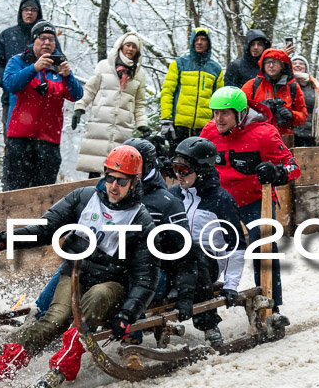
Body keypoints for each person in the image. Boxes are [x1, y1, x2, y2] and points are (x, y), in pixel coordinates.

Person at [0, 145, 159, 388]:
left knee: (90, 307)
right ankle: (0, 367)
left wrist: (128, 313)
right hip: (76, 275)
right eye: (109, 178)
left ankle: (61, 369)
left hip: (111, 284)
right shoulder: (84, 198)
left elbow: (146, 275)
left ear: (134, 183)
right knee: (54, 319)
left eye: (121, 181)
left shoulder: (140, 220)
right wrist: (7, 239)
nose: (113, 186)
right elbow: (45, 228)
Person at [34, 138, 198, 358]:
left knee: (134, 274)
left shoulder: (166, 201)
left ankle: (131, 336)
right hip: (112, 263)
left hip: (151, 267)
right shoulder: (110, 194)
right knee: (75, 262)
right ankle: (43, 315)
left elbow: (184, 252)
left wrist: (185, 293)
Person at [201, 86, 301, 324]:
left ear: (241, 113)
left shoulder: (264, 134)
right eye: (215, 112)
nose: (219, 118)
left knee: (262, 243)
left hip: (255, 200)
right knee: (204, 245)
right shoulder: (209, 132)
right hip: (221, 201)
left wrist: (275, 172)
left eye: (225, 113)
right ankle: (205, 305)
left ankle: (270, 305)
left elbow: (292, 167)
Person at [167, 137, 247, 347]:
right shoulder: (173, 195)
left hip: (208, 263)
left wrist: (231, 285)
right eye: (175, 168)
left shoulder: (221, 201)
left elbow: (236, 246)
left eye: (183, 170)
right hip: (176, 261)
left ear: (201, 171)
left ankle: (209, 325)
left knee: (195, 256)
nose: (177, 175)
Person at [2, 21, 83, 190]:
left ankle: (39, 218)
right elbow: (10, 84)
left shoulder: (59, 64)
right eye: (42, 38)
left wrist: (68, 76)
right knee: (16, 192)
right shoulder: (18, 61)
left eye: (51, 39)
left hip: (49, 141)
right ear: (33, 41)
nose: (47, 42)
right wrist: (33, 68)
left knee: (43, 194)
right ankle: (16, 219)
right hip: (20, 140)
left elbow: (76, 95)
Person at [72, 33, 151, 178]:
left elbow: (139, 103)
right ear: (121, 46)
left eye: (134, 46)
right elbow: (90, 89)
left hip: (123, 126)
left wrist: (142, 124)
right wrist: (80, 107)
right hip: (100, 122)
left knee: (117, 170)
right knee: (94, 167)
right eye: (128, 45)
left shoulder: (139, 75)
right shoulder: (104, 66)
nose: (130, 49)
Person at [0, 0, 53, 135]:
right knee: (13, 143)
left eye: (33, 9)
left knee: (43, 146)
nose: (29, 12)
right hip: (13, 99)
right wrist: (8, 82)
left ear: (39, 12)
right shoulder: (7, 35)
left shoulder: (48, 38)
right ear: (21, 12)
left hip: (43, 101)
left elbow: (57, 63)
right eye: (25, 9)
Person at [160, 27, 224, 155]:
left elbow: (220, 100)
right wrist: (167, 119)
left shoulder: (216, 69)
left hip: (204, 128)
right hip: (178, 127)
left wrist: (216, 123)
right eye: (196, 39)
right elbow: (167, 92)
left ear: (208, 43)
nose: (199, 42)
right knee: (176, 164)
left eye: (203, 39)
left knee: (200, 165)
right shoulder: (179, 64)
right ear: (192, 42)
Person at [241, 49, 307, 137]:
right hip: (256, 137)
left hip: (283, 139)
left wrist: (291, 115)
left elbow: (303, 117)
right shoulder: (252, 85)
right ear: (263, 65)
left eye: (275, 62)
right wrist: (260, 109)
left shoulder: (293, 87)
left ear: (282, 65)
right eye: (268, 62)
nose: (271, 65)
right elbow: (239, 112)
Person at [225, 29, 295, 89]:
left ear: (264, 46)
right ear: (247, 46)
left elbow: (284, 81)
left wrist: (282, 57)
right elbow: (229, 92)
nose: (256, 47)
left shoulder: (269, 65)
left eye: (259, 44)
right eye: (252, 44)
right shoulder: (235, 66)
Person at [291, 54, 319, 146]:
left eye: (301, 63)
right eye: (294, 63)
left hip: (310, 135)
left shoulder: (314, 87)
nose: (297, 65)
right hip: (291, 134)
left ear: (306, 68)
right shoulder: (285, 85)